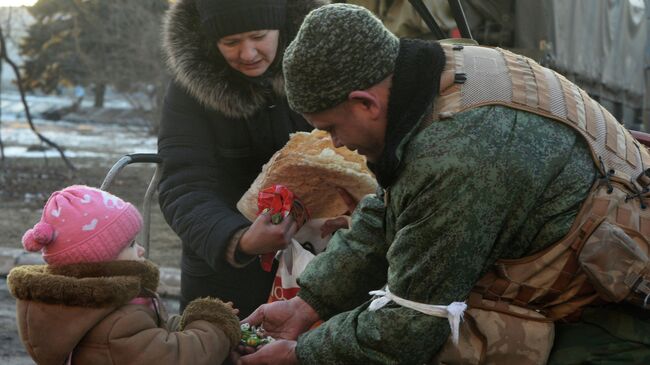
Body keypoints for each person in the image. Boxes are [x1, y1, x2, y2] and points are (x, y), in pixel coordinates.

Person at [235, 4, 650, 364]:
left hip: (618, 316)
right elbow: (389, 206)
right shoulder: (438, 75)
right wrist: (310, 304)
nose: (335, 142)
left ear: (365, 103)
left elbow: (411, 323)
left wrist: (302, 354)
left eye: (331, 127)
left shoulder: (454, 154)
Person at [158, 0, 327, 317]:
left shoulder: (324, 68)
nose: (248, 54)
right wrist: (238, 239)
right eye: (231, 42)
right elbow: (182, 186)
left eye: (259, 35)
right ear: (211, 40)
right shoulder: (188, 92)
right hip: (224, 277)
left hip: (326, 265)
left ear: (282, 26)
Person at [7, 185, 241, 365]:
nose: (141, 249)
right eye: (130, 244)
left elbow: (150, 335)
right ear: (100, 262)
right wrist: (216, 325)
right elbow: (176, 357)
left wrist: (188, 322)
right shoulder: (116, 323)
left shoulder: (95, 307)